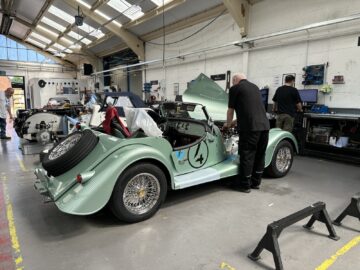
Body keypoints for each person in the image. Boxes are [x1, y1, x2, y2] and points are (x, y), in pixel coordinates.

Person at [224, 74, 270, 193]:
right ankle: (256, 183)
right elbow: (250, 110)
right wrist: (235, 122)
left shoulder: (235, 88)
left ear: (235, 80)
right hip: (264, 126)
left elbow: (230, 110)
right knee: (260, 155)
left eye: (233, 82)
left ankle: (244, 185)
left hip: (250, 129)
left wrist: (228, 125)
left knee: (247, 155)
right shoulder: (255, 87)